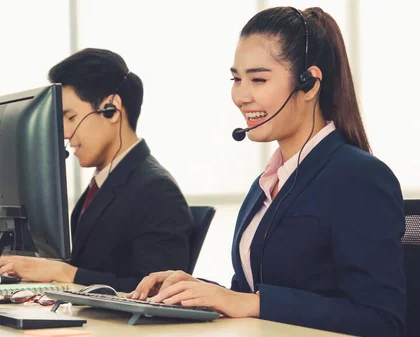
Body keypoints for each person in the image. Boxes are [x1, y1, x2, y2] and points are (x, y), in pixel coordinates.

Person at [129, 7, 406, 337]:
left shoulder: (360, 178)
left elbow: (381, 320)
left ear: (309, 83)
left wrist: (251, 303)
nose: (240, 96)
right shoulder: (267, 183)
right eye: (236, 79)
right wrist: (196, 290)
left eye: (258, 79)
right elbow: (251, 294)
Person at [0, 48, 194, 292]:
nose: (63, 132)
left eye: (71, 117)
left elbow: (156, 289)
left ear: (112, 109)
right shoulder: (105, 182)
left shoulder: (156, 191)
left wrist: (63, 272)